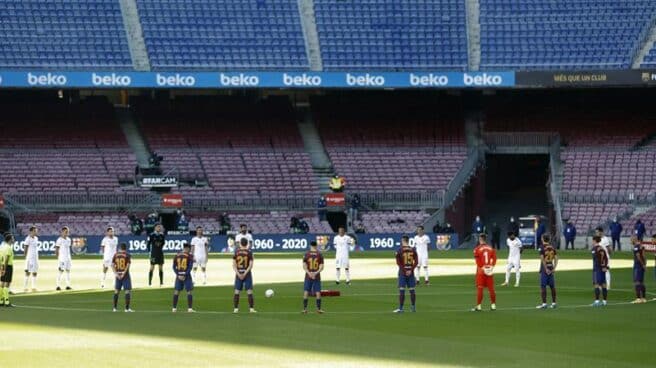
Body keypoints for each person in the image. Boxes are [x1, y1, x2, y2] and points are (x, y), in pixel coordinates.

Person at [472, 234, 497, 312]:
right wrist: (492, 266)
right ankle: (493, 305)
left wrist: (482, 267)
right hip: (489, 270)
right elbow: (495, 258)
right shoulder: (491, 248)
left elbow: (477, 261)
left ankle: (479, 306)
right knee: (491, 288)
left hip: (481, 271)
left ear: (480, 239)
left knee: (480, 288)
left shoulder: (477, 249)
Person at [394, 235, 418, 313]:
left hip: (402, 273)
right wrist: (411, 270)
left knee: (402, 290)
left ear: (403, 240)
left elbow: (398, 263)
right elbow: (416, 262)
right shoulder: (413, 249)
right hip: (411, 273)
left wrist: (404, 270)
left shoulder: (400, 250)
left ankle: (401, 309)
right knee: (412, 290)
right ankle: (413, 308)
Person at [232, 238, 256, 313]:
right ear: (247, 243)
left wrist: (239, 274)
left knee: (237, 291)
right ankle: (251, 309)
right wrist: (245, 273)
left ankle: (236, 309)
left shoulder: (236, 252)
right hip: (247, 274)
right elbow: (251, 265)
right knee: (249, 291)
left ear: (240, 244)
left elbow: (233, 265)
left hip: (238, 273)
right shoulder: (249, 252)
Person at [302, 241, 324, 314]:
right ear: (316, 246)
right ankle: (318, 309)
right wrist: (315, 273)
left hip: (308, 276)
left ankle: (305, 309)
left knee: (306, 291)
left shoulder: (306, 254)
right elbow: (321, 267)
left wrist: (309, 273)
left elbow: (304, 265)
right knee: (318, 292)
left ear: (310, 245)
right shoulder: (320, 254)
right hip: (316, 276)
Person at [536, 235, 558, 309]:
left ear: (542, 239)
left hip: (544, 269)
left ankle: (544, 304)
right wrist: (554, 268)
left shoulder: (541, 247)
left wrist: (545, 268)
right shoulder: (552, 247)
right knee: (552, 287)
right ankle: (554, 303)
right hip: (551, 267)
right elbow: (556, 258)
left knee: (543, 286)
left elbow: (542, 259)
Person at [172, 243, 194, 313]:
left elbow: (173, 267)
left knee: (176, 291)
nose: (190, 250)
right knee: (189, 291)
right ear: (187, 248)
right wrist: (185, 274)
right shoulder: (189, 256)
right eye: (189, 249)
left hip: (178, 276)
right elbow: (190, 267)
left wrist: (178, 274)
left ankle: (174, 308)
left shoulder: (177, 255)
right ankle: (190, 309)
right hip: (186, 276)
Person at [111, 243, 133, 312]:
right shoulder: (127, 255)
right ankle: (127, 309)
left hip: (118, 274)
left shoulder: (115, 255)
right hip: (125, 275)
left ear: (120, 248)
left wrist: (116, 274)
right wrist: (124, 273)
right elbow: (128, 265)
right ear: (125, 248)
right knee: (127, 291)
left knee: (116, 291)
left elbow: (112, 265)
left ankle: (114, 308)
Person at [591, 235, 609, 307]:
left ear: (595, 240)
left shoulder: (594, 249)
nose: (592, 242)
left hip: (597, 269)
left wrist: (601, 266)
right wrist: (604, 266)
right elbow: (606, 258)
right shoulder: (602, 248)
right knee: (603, 284)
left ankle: (597, 301)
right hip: (602, 269)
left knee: (596, 284)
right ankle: (604, 301)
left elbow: (598, 260)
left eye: (592, 240)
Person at [55, 227, 72, 291]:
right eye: (65, 232)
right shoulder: (59, 240)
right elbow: (56, 249)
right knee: (61, 271)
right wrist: (58, 258)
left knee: (68, 271)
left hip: (68, 258)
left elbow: (68, 249)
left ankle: (68, 285)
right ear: (62, 232)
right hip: (62, 258)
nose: (67, 233)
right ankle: (58, 285)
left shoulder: (69, 239)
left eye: (67, 232)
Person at [630, 236, 647, 304]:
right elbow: (644, 256)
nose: (630, 241)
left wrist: (642, 264)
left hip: (638, 266)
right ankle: (643, 298)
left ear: (634, 239)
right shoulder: (641, 246)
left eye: (631, 240)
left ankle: (638, 298)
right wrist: (644, 264)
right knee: (641, 282)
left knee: (637, 282)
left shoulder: (636, 247)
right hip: (641, 265)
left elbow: (638, 256)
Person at [0, 233, 15, 307]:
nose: (13, 239)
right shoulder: (9, 248)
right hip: (8, 266)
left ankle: (1, 300)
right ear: (9, 239)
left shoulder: (2, 247)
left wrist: (1, 267)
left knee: (2, 282)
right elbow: (6, 258)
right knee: (7, 283)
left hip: (2, 265)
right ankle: (6, 301)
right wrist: (5, 269)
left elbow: (1, 258)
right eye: (12, 238)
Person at [23, 226, 39, 292]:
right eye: (35, 231)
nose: (36, 232)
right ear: (31, 231)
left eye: (36, 231)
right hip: (30, 258)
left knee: (35, 272)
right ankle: (25, 287)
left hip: (35, 258)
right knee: (28, 272)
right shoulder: (27, 239)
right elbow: (25, 248)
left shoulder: (36, 238)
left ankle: (33, 287)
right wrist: (26, 256)